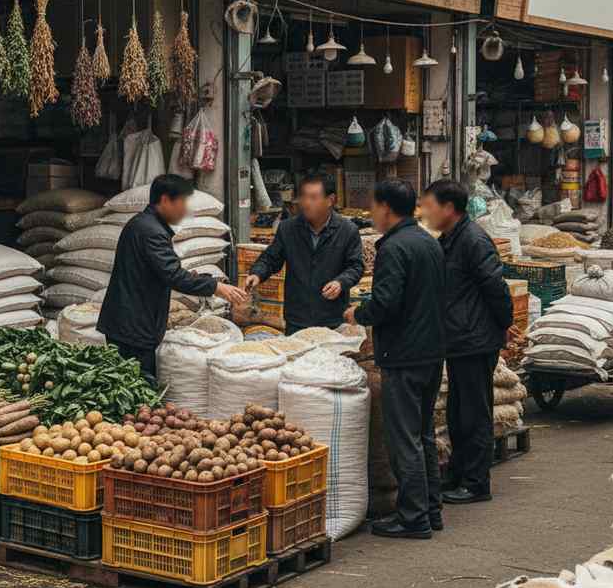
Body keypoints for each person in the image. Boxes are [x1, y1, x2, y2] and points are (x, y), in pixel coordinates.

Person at [343, 178, 445, 539]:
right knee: (423, 434)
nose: (372, 214)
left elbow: (387, 302)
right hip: (431, 351)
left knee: (404, 438)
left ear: (386, 208)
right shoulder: (427, 242)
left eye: (374, 207)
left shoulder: (395, 248)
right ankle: (431, 509)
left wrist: (360, 314)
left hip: (405, 354)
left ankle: (413, 517)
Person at [97, 174, 246, 382]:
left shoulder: (143, 224)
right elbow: (173, 275)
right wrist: (216, 287)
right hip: (133, 325)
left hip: (128, 321)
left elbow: (161, 270)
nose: (185, 209)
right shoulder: (151, 231)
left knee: (126, 386)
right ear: (166, 200)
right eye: (182, 202)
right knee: (137, 389)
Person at [421, 179, 513, 505]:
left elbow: (496, 288)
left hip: (475, 338)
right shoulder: (450, 239)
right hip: (460, 337)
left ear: (448, 209)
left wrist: (504, 325)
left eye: (430, 206)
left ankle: (477, 483)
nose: (426, 213)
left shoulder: (473, 240)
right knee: (460, 412)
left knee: (474, 413)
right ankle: (462, 475)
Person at [245, 173, 364, 334]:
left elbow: (356, 267)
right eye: (304, 197)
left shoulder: (347, 230)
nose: (307, 203)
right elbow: (271, 258)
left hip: (332, 317)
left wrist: (340, 282)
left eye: (314, 198)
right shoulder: (288, 228)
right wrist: (257, 274)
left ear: (330, 200)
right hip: (297, 317)